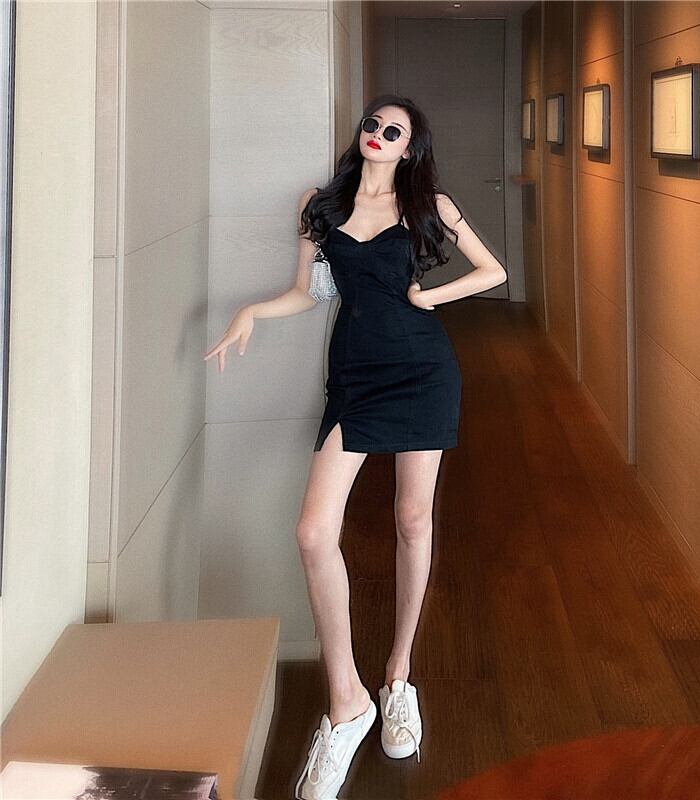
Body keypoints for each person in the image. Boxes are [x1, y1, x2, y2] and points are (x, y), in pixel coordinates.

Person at [204, 94, 507, 800]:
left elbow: (492, 271)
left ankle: (398, 677)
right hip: (356, 377)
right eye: (373, 124)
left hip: (423, 371)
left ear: (409, 147)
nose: (377, 134)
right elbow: (307, 291)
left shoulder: (428, 204)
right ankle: (347, 702)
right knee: (314, 532)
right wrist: (252, 310)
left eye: (393, 130)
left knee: (412, 520)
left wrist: (433, 299)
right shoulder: (321, 204)